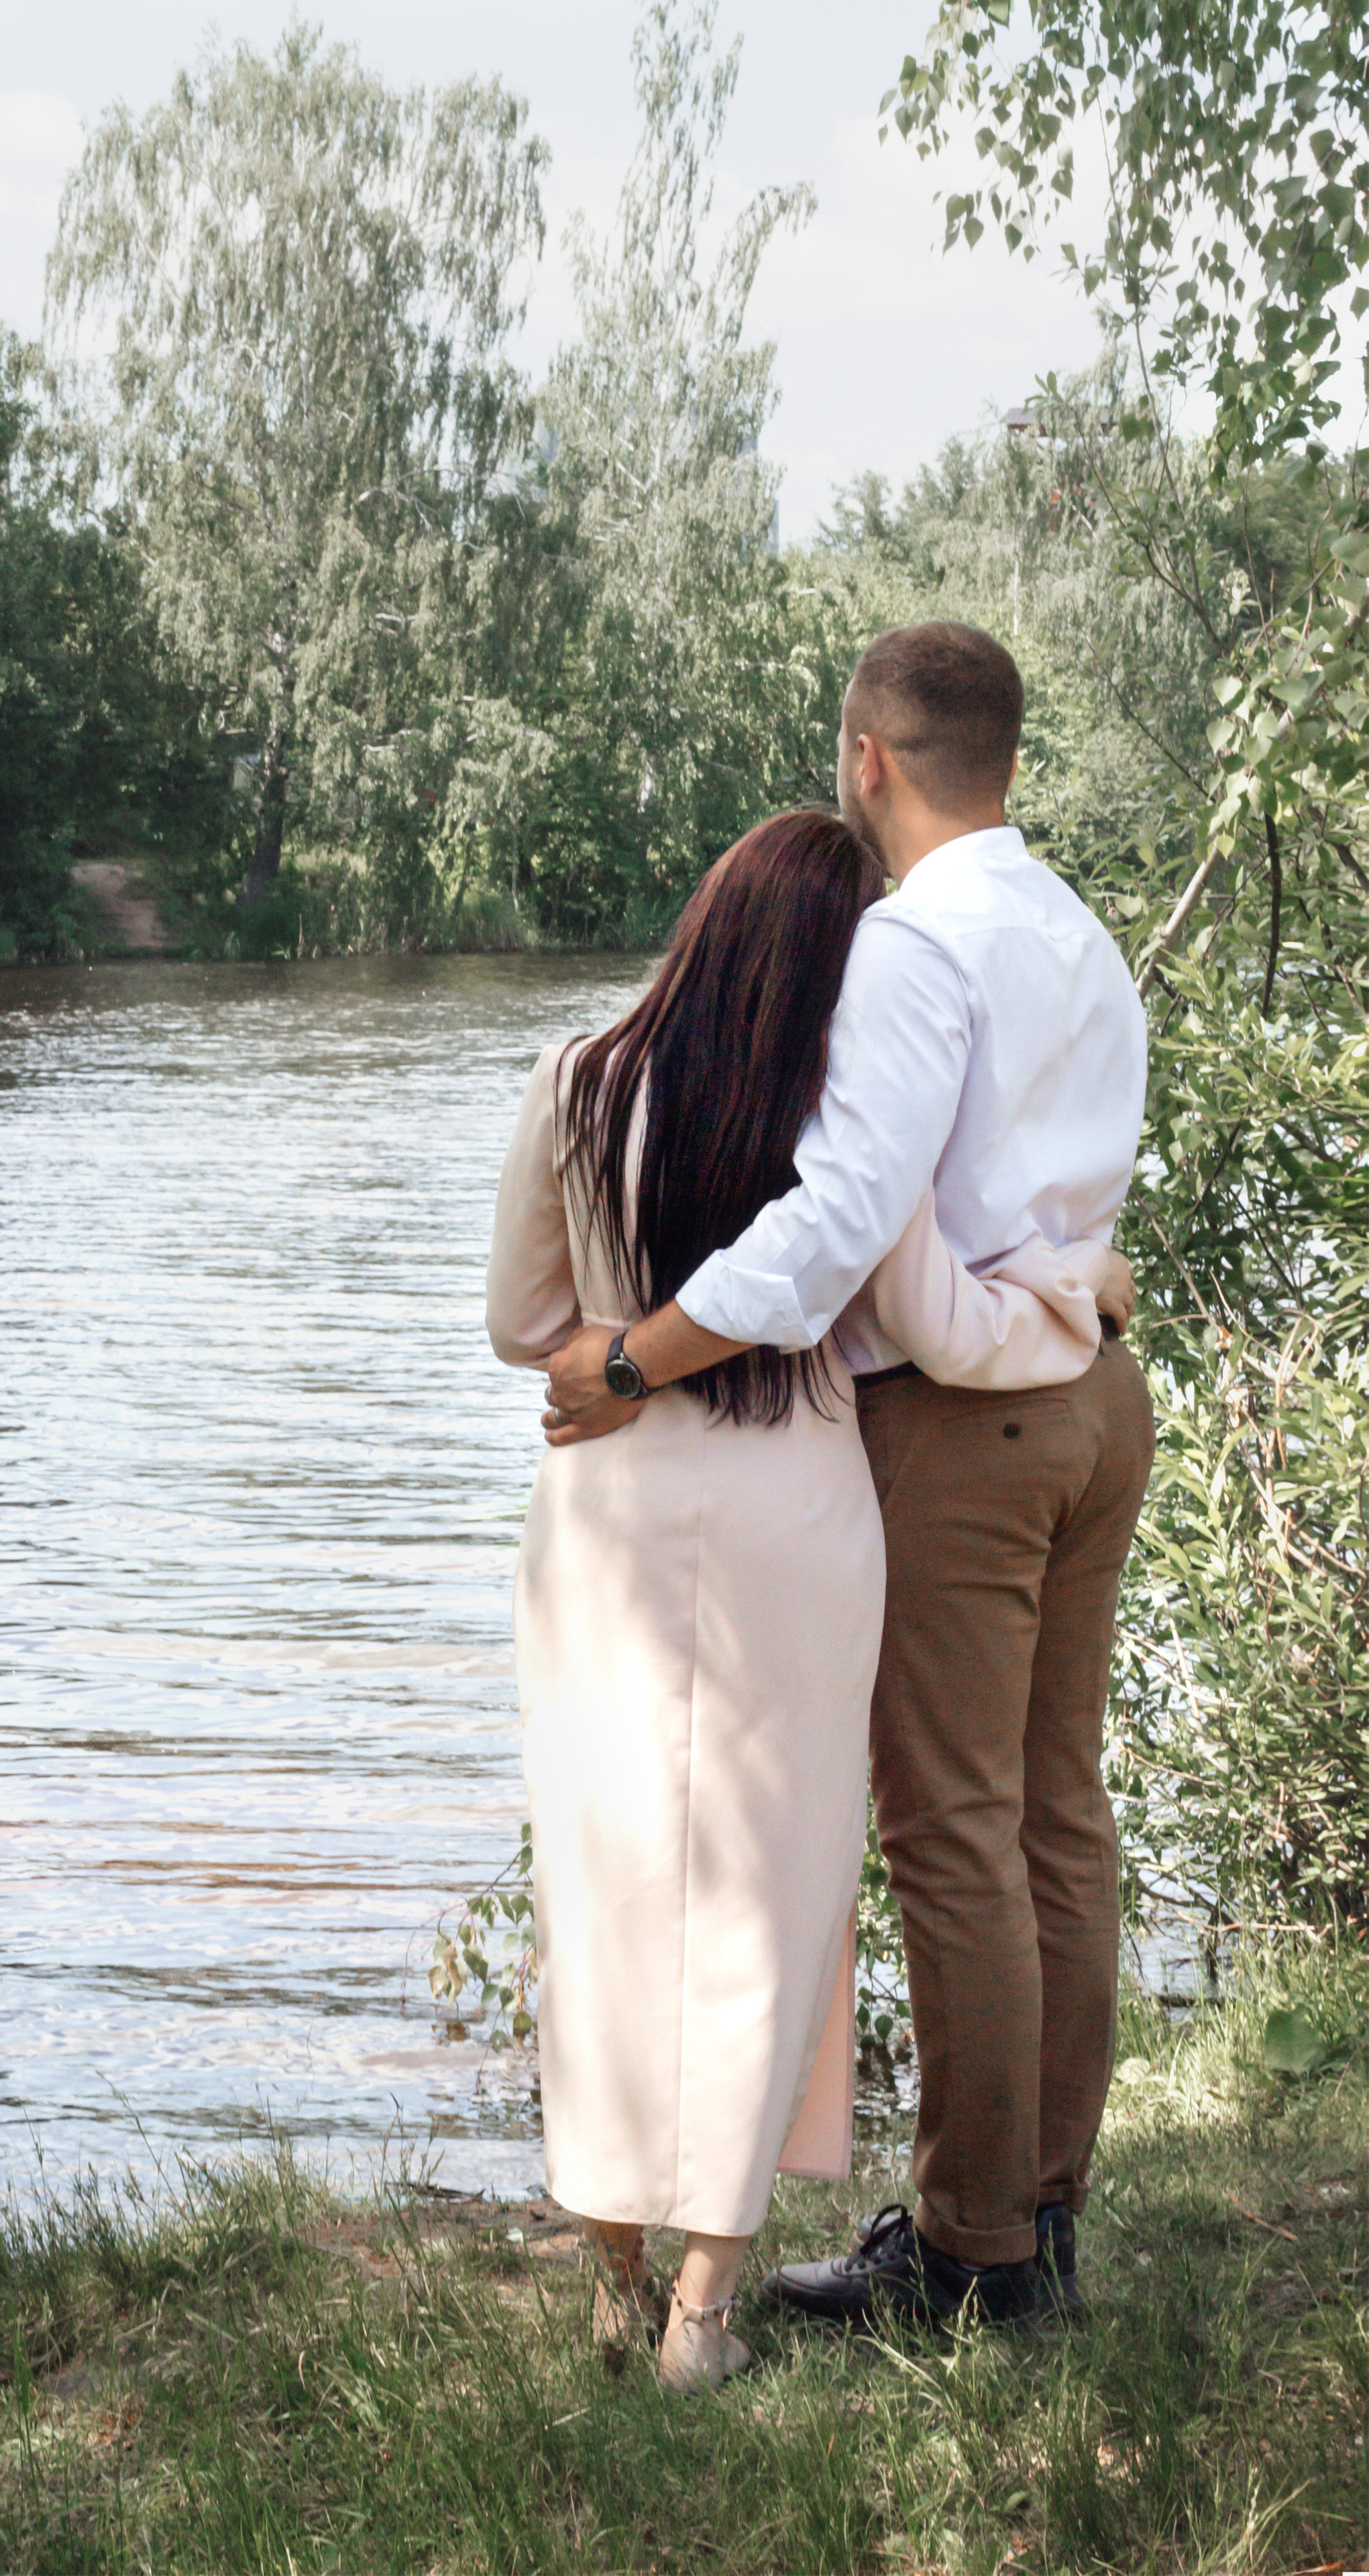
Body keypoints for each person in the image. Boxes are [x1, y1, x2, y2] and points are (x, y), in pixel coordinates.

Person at [542, 622, 1154, 2329]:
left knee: (954, 1832)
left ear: (863, 759)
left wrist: (625, 1357)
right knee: (1053, 1816)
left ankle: (970, 2258)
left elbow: (830, 1231)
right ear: (1008, 761)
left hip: (969, 1431)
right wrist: (1075, 1291)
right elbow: (1087, 1194)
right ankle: (1035, 2215)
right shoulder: (1078, 935)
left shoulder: (905, 950)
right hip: (1096, 1405)